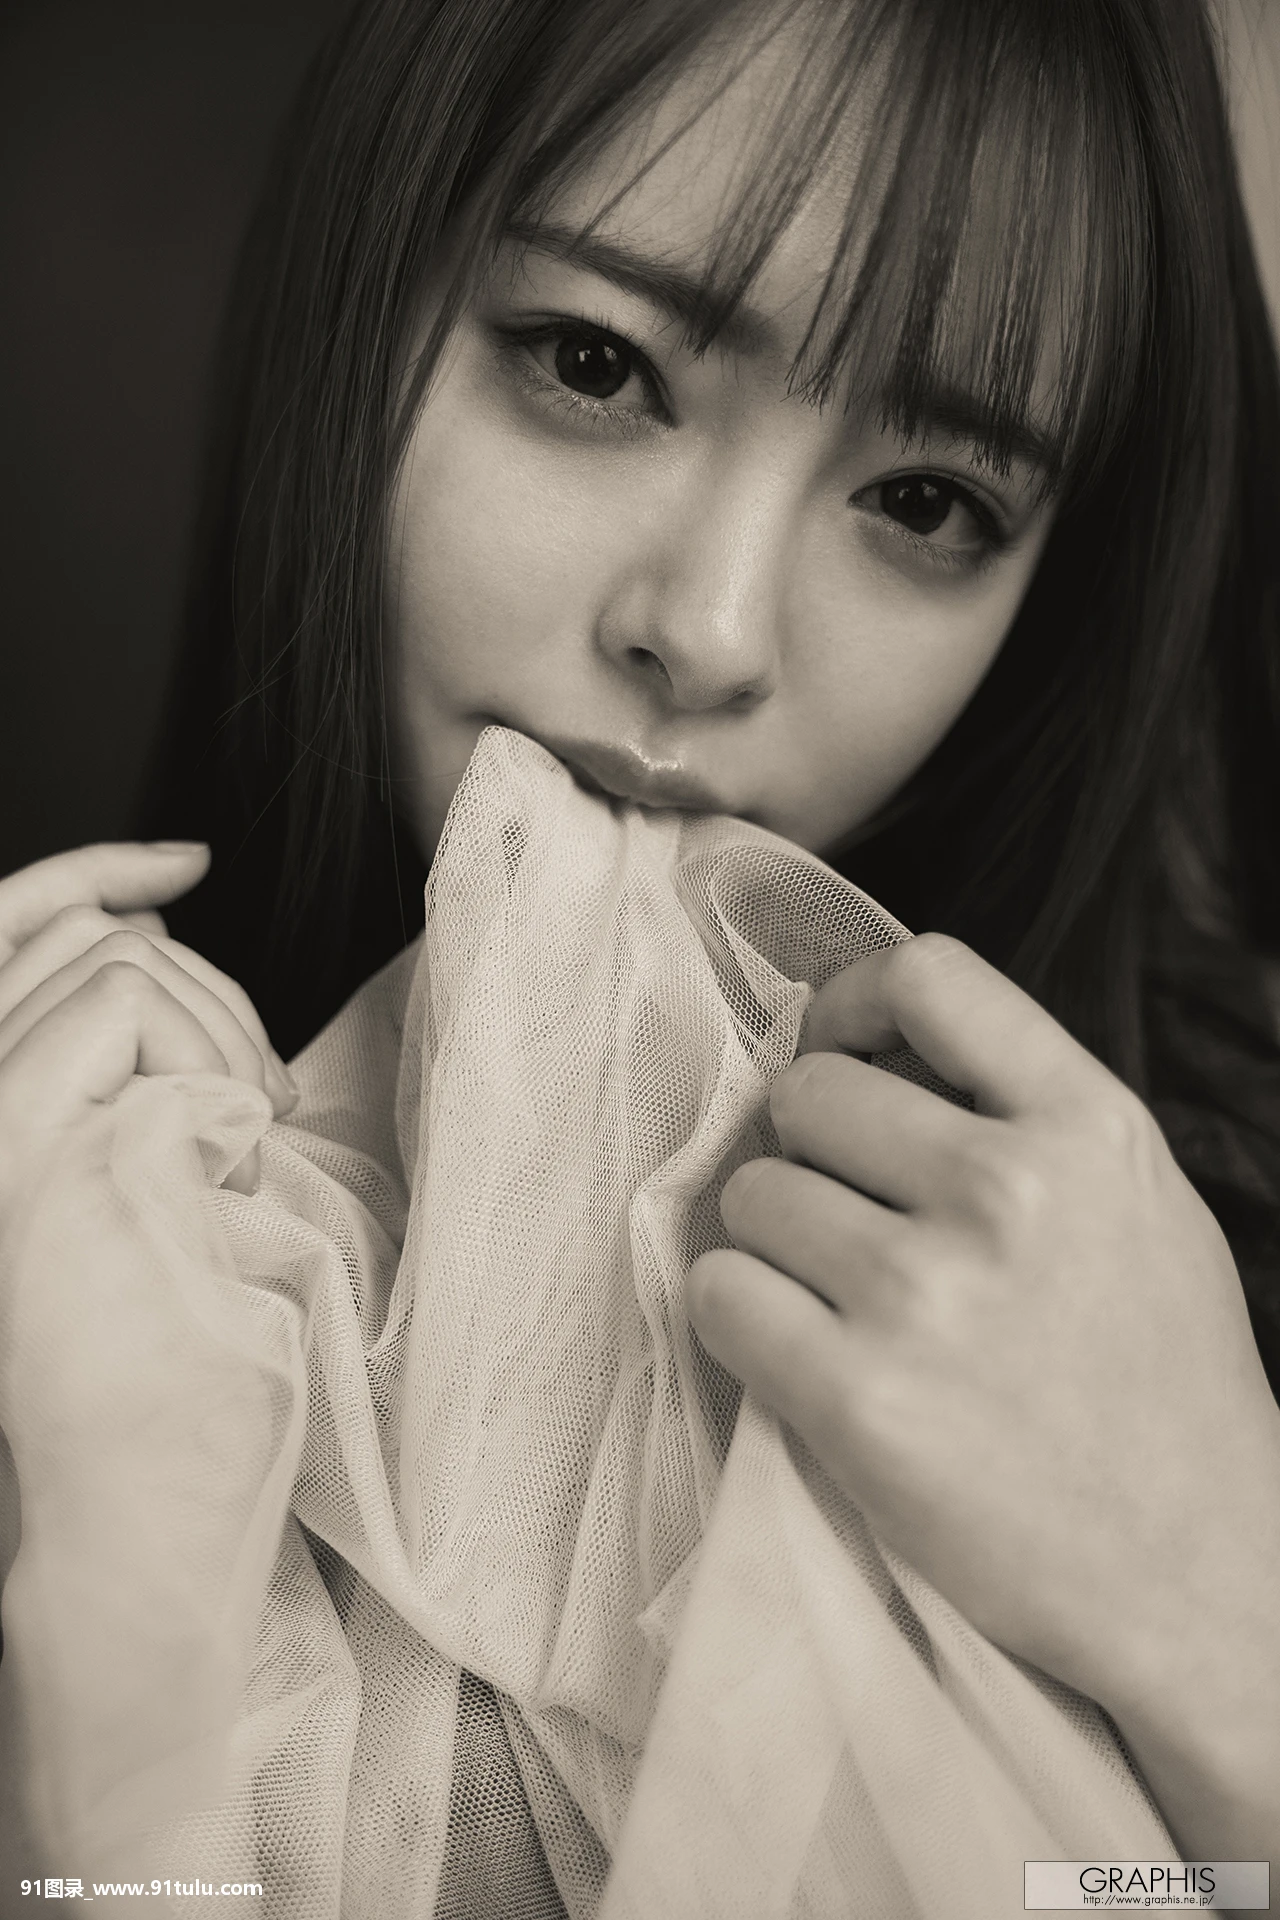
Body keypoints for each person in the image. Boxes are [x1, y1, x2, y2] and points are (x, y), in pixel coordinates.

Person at [1, 0, 1279, 1909]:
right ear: (363, 301)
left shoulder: (1211, 1297)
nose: (714, 628)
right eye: (597, 364)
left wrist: (1223, 1618)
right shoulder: (53, 1197)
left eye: (927, 502)